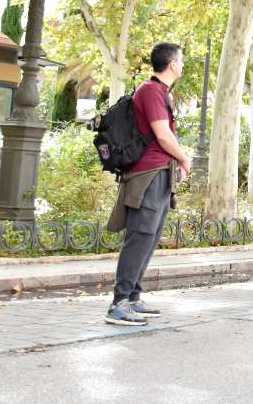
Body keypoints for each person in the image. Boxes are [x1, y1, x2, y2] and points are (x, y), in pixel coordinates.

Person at [105, 42, 192, 326]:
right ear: (173, 64)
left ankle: (132, 297)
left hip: (159, 172)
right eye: (181, 60)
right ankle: (118, 303)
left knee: (150, 238)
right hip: (148, 174)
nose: (183, 64)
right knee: (140, 236)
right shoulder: (152, 90)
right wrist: (185, 159)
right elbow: (163, 135)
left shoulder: (160, 91)